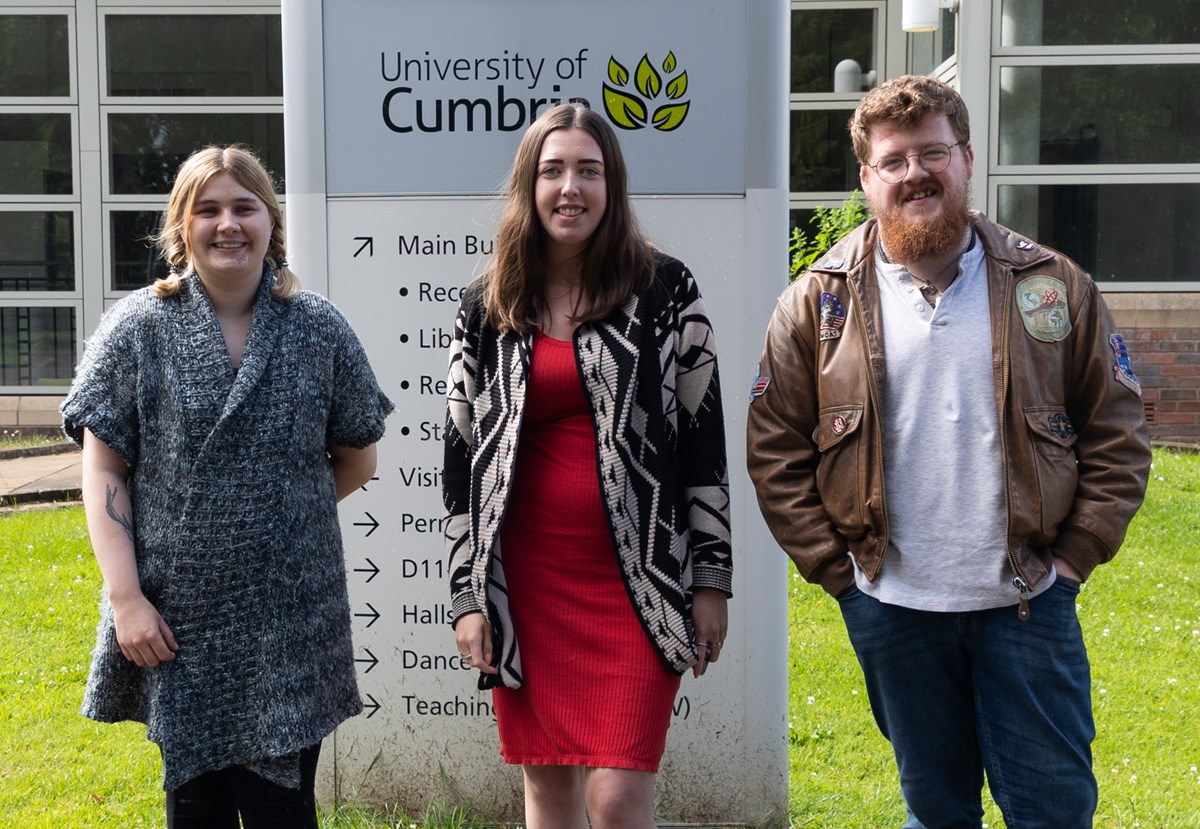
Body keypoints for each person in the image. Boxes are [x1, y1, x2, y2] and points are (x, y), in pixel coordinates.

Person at [746, 75, 1151, 829]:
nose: (915, 174)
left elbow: (1117, 431)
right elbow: (774, 448)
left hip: (1028, 601)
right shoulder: (816, 302)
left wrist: (1073, 561)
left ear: (966, 159)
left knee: (1055, 811)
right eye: (893, 161)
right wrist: (840, 573)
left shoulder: (1051, 286)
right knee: (936, 813)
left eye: (933, 153)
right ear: (867, 179)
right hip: (893, 608)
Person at [61, 145, 394, 828]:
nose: (227, 224)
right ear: (182, 226)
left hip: (290, 623)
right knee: (197, 810)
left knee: (285, 811)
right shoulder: (137, 329)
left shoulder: (318, 328)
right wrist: (125, 599)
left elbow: (359, 457)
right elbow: (103, 469)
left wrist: (266, 517)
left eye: (244, 207)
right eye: (207, 209)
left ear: (271, 221)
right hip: (180, 623)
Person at [443, 101, 732, 829]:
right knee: (546, 788)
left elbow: (704, 444)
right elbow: (459, 458)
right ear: (528, 185)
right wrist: (467, 594)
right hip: (525, 580)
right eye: (553, 170)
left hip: (639, 580)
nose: (570, 187)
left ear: (613, 185)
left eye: (589, 171)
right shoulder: (488, 302)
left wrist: (711, 580)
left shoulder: (667, 290)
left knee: (618, 793)